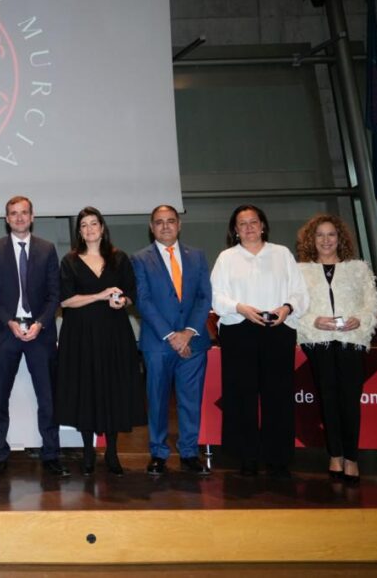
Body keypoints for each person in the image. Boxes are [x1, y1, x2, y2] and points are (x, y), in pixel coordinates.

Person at [210, 204, 308, 477]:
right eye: (243, 224)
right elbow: (217, 297)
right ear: (235, 230)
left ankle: (278, 458)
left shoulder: (282, 254)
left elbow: (299, 292)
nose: (249, 227)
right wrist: (241, 307)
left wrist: (286, 308)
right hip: (240, 330)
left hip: (277, 329)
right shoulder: (226, 258)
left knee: (278, 396)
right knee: (241, 396)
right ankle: (247, 456)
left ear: (263, 225)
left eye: (254, 222)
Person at [55, 206, 145, 476]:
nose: (90, 229)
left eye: (94, 224)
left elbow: (131, 294)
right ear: (79, 232)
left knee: (113, 389)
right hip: (79, 335)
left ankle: (113, 452)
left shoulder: (120, 259)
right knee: (85, 390)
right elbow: (66, 300)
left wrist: (121, 301)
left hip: (113, 334)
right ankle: (88, 453)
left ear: (102, 228)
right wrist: (100, 295)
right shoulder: (69, 261)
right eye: (84, 225)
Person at [0, 196, 65, 477]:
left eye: (24, 213)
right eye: (13, 214)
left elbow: (55, 293)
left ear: (32, 217)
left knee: (48, 398)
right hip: (5, 334)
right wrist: (9, 321)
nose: (19, 218)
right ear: (7, 219)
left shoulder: (47, 249)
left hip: (40, 334)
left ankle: (51, 453)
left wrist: (40, 323)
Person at [295, 213, 377, 485]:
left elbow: (373, 305)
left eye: (331, 234)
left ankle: (352, 458)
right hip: (318, 341)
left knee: (350, 401)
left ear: (339, 238)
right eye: (320, 235)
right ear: (312, 240)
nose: (326, 240)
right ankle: (335, 454)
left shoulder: (358, 269)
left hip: (351, 340)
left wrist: (360, 319)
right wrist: (314, 320)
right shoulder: (300, 271)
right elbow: (294, 309)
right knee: (328, 400)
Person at [132, 204, 213, 476]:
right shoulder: (140, 259)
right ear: (151, 227)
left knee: (190, 400)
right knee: (156, 400)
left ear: (179, 225)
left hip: (194, 342)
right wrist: (171, 335)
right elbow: (142, 300)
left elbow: (204, 297)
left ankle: (189, 453)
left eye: (170, 221)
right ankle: (158, 453)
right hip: (158, 343)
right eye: (159, 222)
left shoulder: (197, 256)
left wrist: (188, 332)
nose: (165, 226)